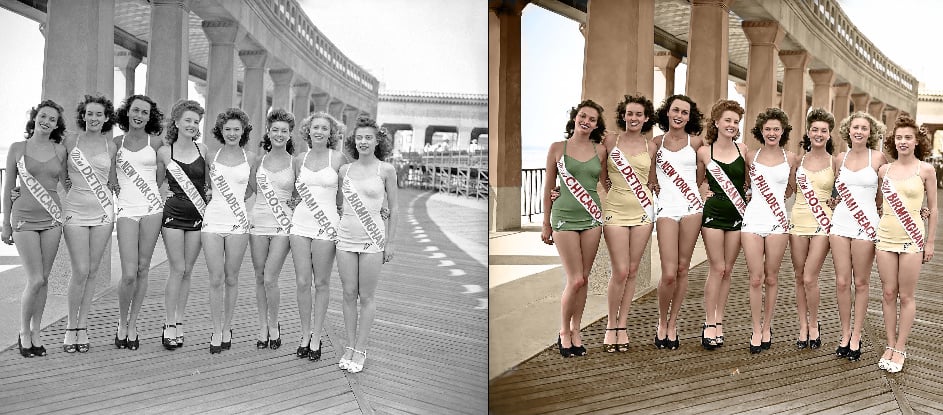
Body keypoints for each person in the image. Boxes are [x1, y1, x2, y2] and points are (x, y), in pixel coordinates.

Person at [541, 100, 608, 357]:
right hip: (564, 217)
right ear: (575, 118)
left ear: (596, 125)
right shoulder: (557, 148)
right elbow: (548, 187)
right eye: (583, 116)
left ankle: (577, 329)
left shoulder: (600, 150)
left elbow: (607, 183)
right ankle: (563, 331)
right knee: (575, 278)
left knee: (585, 278)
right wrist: (545, 223)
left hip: (591, 217)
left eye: (592, 119)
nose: (586, 121)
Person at [2, 100, 68, 357]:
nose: (46, 121)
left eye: (52, 119)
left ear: (56, 125)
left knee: (44, 280)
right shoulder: (18, 148)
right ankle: (23, 331)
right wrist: (5, 223)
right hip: (24, 218)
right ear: (35, 118)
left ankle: (37, 331)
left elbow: (67, 183)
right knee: (35, 278)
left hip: (51, 218)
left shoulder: (60, 150)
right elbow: (8, 187)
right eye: (43, 116)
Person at [335, 116, 398, 373]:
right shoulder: (344, 171)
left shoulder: (386, 170)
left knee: (367, 296)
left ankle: (361, 348)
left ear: (377, 141)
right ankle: (349, 345)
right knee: (349, 294)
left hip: (373, 238)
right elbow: (338, 204)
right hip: (345, 238)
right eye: (359, 137)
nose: (363, 142)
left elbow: (394, 207)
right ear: (354, 141)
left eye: (368, 137)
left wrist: (390, 242)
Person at [875, 115, 937, 373]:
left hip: (913, 238)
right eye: (899, 137)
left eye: (908, 137)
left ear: (916, 141)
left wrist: (930, 241)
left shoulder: (926, 170)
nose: (903, 141)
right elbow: (878, 204)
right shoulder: (884, 171)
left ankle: (901, 347)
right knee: (888, 293)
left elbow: (933, 208)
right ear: (893, 141)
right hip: (885, 236)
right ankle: (889, 344)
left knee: (906, 295)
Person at [62, 94, 119, 353]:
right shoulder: (70, 140)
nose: (94, 118)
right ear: (83, 116)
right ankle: (70, 326)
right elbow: (59, 174)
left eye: (99, 114)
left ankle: (82, 326)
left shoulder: (110, 147)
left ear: (106, 118)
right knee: (80, 269)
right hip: (74, 210)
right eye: (89, 113)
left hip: (103, 213)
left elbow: (112, 181)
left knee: (93, 270)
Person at [600, 94, 656, 353]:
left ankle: (623, 325)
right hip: (615, 211)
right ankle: (611, 325)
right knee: (619, 271)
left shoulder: (651, 147)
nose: (634, 118)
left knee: (632, 270)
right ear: (623, 115)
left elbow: (652, 180)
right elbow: (598, 171)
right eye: (630, 113)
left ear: (646, 119)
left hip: (643, 212)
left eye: (639, 114)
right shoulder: (611, 140)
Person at [740, 108, 798, 354]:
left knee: (772, 277)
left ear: (782, 131)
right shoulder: (751, 156)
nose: (772, 133)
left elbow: (793, 187)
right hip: (752, 221)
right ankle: (755, 328)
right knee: (755, 278)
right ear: (760, 131)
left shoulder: (791, 157)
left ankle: (767, 326)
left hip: (778, 222)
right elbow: (745, 185)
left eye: (776, 129)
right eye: (767, 129)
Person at [829, 111, 886, 361]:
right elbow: (832, 191)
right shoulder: (840, 158)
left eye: (864, 128)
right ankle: (844, 333)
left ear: (870, 132)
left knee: (861, 283)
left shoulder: (879, 158)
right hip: (840, 223)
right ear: (848, 131)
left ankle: (857, 335)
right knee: (842, 282)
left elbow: (883, 194)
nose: (859, 131)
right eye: (855, 127)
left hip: (866, 225)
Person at [110, 94, 165, 351]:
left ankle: (133, 325)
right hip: (126, 211)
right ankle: (121, 322)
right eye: (135, 110)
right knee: (129, 274)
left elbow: (160, 177)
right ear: (127, 112)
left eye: (144, 112)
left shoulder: (156, 143)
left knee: (143, 268)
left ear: (149, 116)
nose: (139, 116)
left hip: (152, 209)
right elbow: (108, 174)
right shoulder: (116, 143)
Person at [290, 111, 346, 360]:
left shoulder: (339, 159)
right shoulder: (299, 159)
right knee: (302, 282)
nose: (320, 132)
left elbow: (344, 197)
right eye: (316, 128)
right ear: (308, 131)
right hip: (300, 224)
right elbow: (293, 192)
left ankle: (317, 336)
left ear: (330, 133)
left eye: (324, 128)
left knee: (321, 283)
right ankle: (304, 334)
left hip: (326, 225)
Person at [650, 94, 704, 350]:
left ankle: (672, 324)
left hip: (692, 209)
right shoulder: (656, 143)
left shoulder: (696, 143)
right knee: (669, 273)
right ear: (667, 112)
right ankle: (661, 321)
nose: (679, 115)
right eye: (675, 110)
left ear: (689, 116)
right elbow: (645, 172)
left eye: (684, 112)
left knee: (683, 269)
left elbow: (702, 176)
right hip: (666, 210)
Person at [202, 108, 257, 354]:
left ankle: (227, 327)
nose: (232, 133)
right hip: (212, 222)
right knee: (215, 279)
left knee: (232, 278)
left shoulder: (251, 158)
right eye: (228, 129)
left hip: (238, 224)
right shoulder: (210, 156)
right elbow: (205, 186)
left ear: (243, 131)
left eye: (237, 129)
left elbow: (255, 188)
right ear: (220, 131)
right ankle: (215, 329)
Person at [157, 99, 208, 350]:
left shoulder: (204, 150)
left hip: (198, 216)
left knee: (188, 270)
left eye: (196, 121)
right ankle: (168, 323)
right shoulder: (165, 152)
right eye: (187, 120)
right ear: (176, 122)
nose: (192, 125)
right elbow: (155, 183)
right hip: (173, 216)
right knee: (177, 268)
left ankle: (180, 320)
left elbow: (210, 184)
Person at [696, 99, 747, 350]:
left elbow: (749, 183)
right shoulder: (705, 152)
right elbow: (699, 181)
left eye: (736, 122)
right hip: (714, 214)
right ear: (716, 122)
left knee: (728, 270)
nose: (732, 125)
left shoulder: (744, 150)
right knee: (716, 267)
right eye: (727, 120)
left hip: (737, 215)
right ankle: (709, 322)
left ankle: (720, 320)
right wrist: (704, 190)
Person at [250, 109, 296, 351]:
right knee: (259, 278)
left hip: (283, 225)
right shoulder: (258, 161)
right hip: (258, 223)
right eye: (275, 130)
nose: (279, 134)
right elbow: (249, 188)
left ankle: (275, 324)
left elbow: (301, 195)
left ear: (290, 135)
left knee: (270, 278)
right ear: (268, 132)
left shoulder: (295, 163)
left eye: (284, 131)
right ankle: (262, 326)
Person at [789, 108, 835, 350]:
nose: (818, 134)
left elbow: (843, 194)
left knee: (810, 276)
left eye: (823, 131)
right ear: (808, 132)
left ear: (829, 134)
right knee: (798, 277)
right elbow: (787, 190)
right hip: (798, 221)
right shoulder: (798, 160)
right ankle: (802, 326)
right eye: (814, 129)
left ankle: (815, 324)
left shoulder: (835, 162)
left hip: (822, 223)